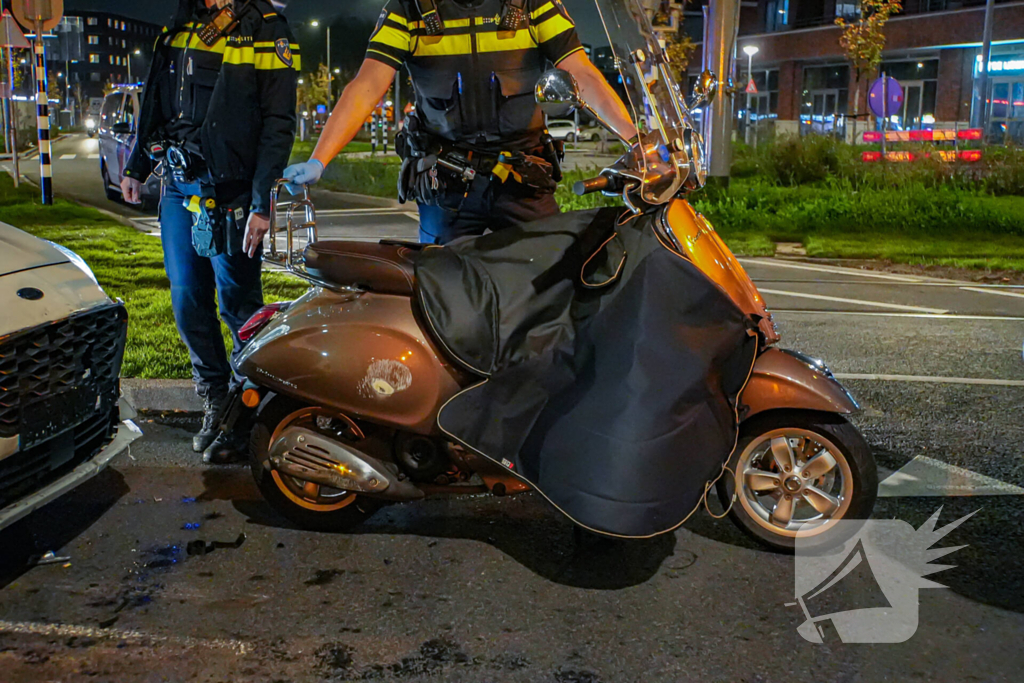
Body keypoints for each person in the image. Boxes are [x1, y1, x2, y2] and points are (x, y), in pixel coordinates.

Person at [283, 0, 637, 245]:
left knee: (554, 281)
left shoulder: (533, 5)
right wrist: (319, 159)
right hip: (447, 184)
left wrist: (638, 142)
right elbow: (367, 85)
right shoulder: (409, 9)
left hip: (522, 179)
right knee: (440, 297)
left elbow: (582, 74)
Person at [121, 0, 299, 463]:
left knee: (239, 307)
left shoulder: (267, 28)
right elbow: (155, 98)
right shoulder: (178, 27)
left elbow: (278, 122)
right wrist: (137, 165)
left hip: (230, 190)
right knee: (187, 302)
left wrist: (262, 203)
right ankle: (215, 399)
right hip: (178, 186)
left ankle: (248, 414)